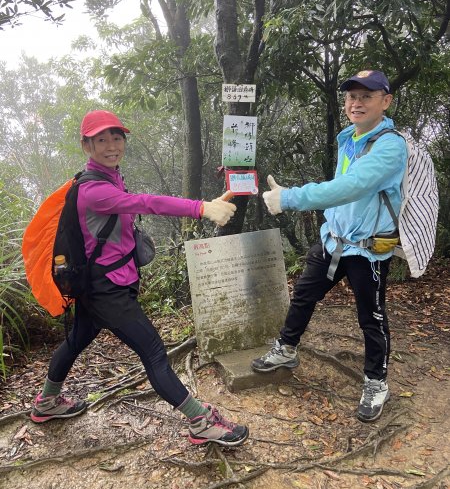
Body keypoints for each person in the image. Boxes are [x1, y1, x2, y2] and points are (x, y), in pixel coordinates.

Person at [31, 109, 249, 447]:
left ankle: (46, 403)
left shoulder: (109, 176)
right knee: (154, 354)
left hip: (101, 286)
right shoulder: (94, 189)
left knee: (77, 340)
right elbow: (146, 203)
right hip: (107, 292)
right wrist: (201, 208)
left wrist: (207, 204)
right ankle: (200, 421)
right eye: (101, 139)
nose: (111, 145)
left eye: (116, 137)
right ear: (86, 145)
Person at [253, 70, 407, 422]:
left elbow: (352, 187)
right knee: (304, 295)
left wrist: (291, 197)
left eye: (367, 96)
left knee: (372, 317)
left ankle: (376, 382)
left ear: (385, 101)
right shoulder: (348, 138)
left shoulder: (390, 146)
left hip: (367, 249)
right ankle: (286, 349)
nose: (357, 102)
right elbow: (341, 190)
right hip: (334, 240)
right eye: (352, 96)